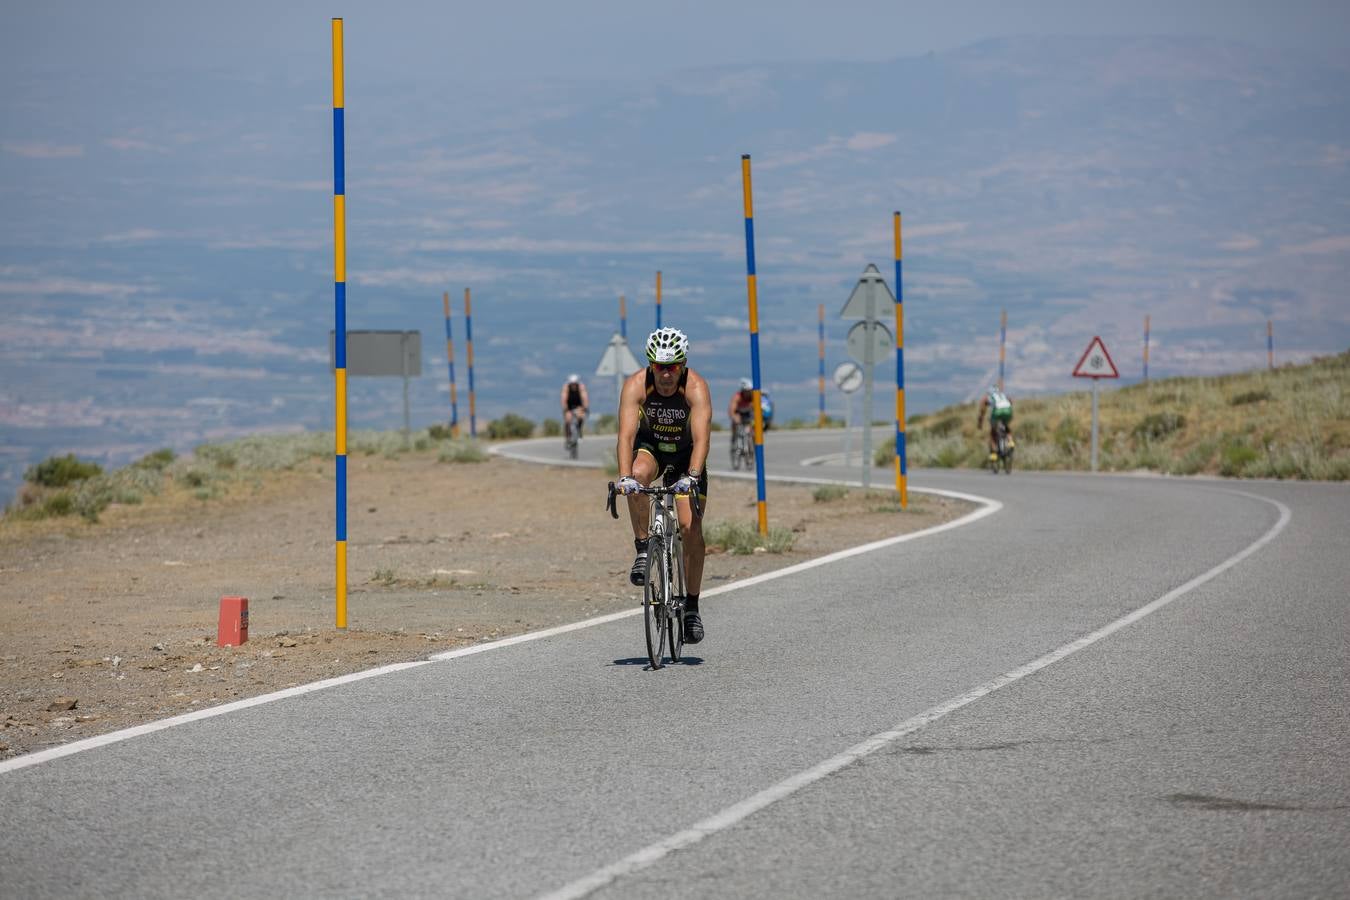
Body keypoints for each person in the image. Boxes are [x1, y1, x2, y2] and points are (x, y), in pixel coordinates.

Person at [614, 327, 713, 643]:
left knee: (689, 527)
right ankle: (643, 548)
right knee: (638, 476)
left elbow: (701, 440)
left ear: (683, 365)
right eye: (660, 366)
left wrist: (693, 476)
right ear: (650, 364)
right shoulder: (636, 386)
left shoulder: (695, 388)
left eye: (673, 367)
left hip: (686, 457)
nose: (666, 374)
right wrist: (625, 478)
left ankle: (692, 609)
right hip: (652, 448)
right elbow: (626, 436)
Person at [976, 384, 1015, 461]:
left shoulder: (988, 397)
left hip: (997, 412)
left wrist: (980, 423)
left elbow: (982, 411)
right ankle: (1010, 442)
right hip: (1008, 410)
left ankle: (993, 454)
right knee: (1006, 428)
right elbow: (1011, 401)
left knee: (993, 433)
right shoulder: (1002, 395)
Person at [560, 374, 588, 444]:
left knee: (581, 416)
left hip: (578, 405)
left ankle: (579, 432)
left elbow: (585, 398)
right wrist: (565, 409)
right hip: (569, 405)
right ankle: (568, 436)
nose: (573, 385)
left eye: (575, 384)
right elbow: (563, 399)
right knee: (568, 419)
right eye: (572, 384)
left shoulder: (581, 387)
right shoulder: (566, 387)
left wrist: (585, 407)